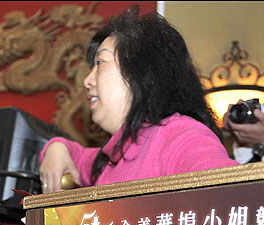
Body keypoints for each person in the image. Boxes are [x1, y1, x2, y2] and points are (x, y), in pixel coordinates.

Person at [39, 8, 235, 192]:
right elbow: (77, 156)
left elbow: (232, 197)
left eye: (100, 63)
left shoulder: (181, 136)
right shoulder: (111, 156)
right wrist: (57, 147)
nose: (87, 81)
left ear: (140, 72)